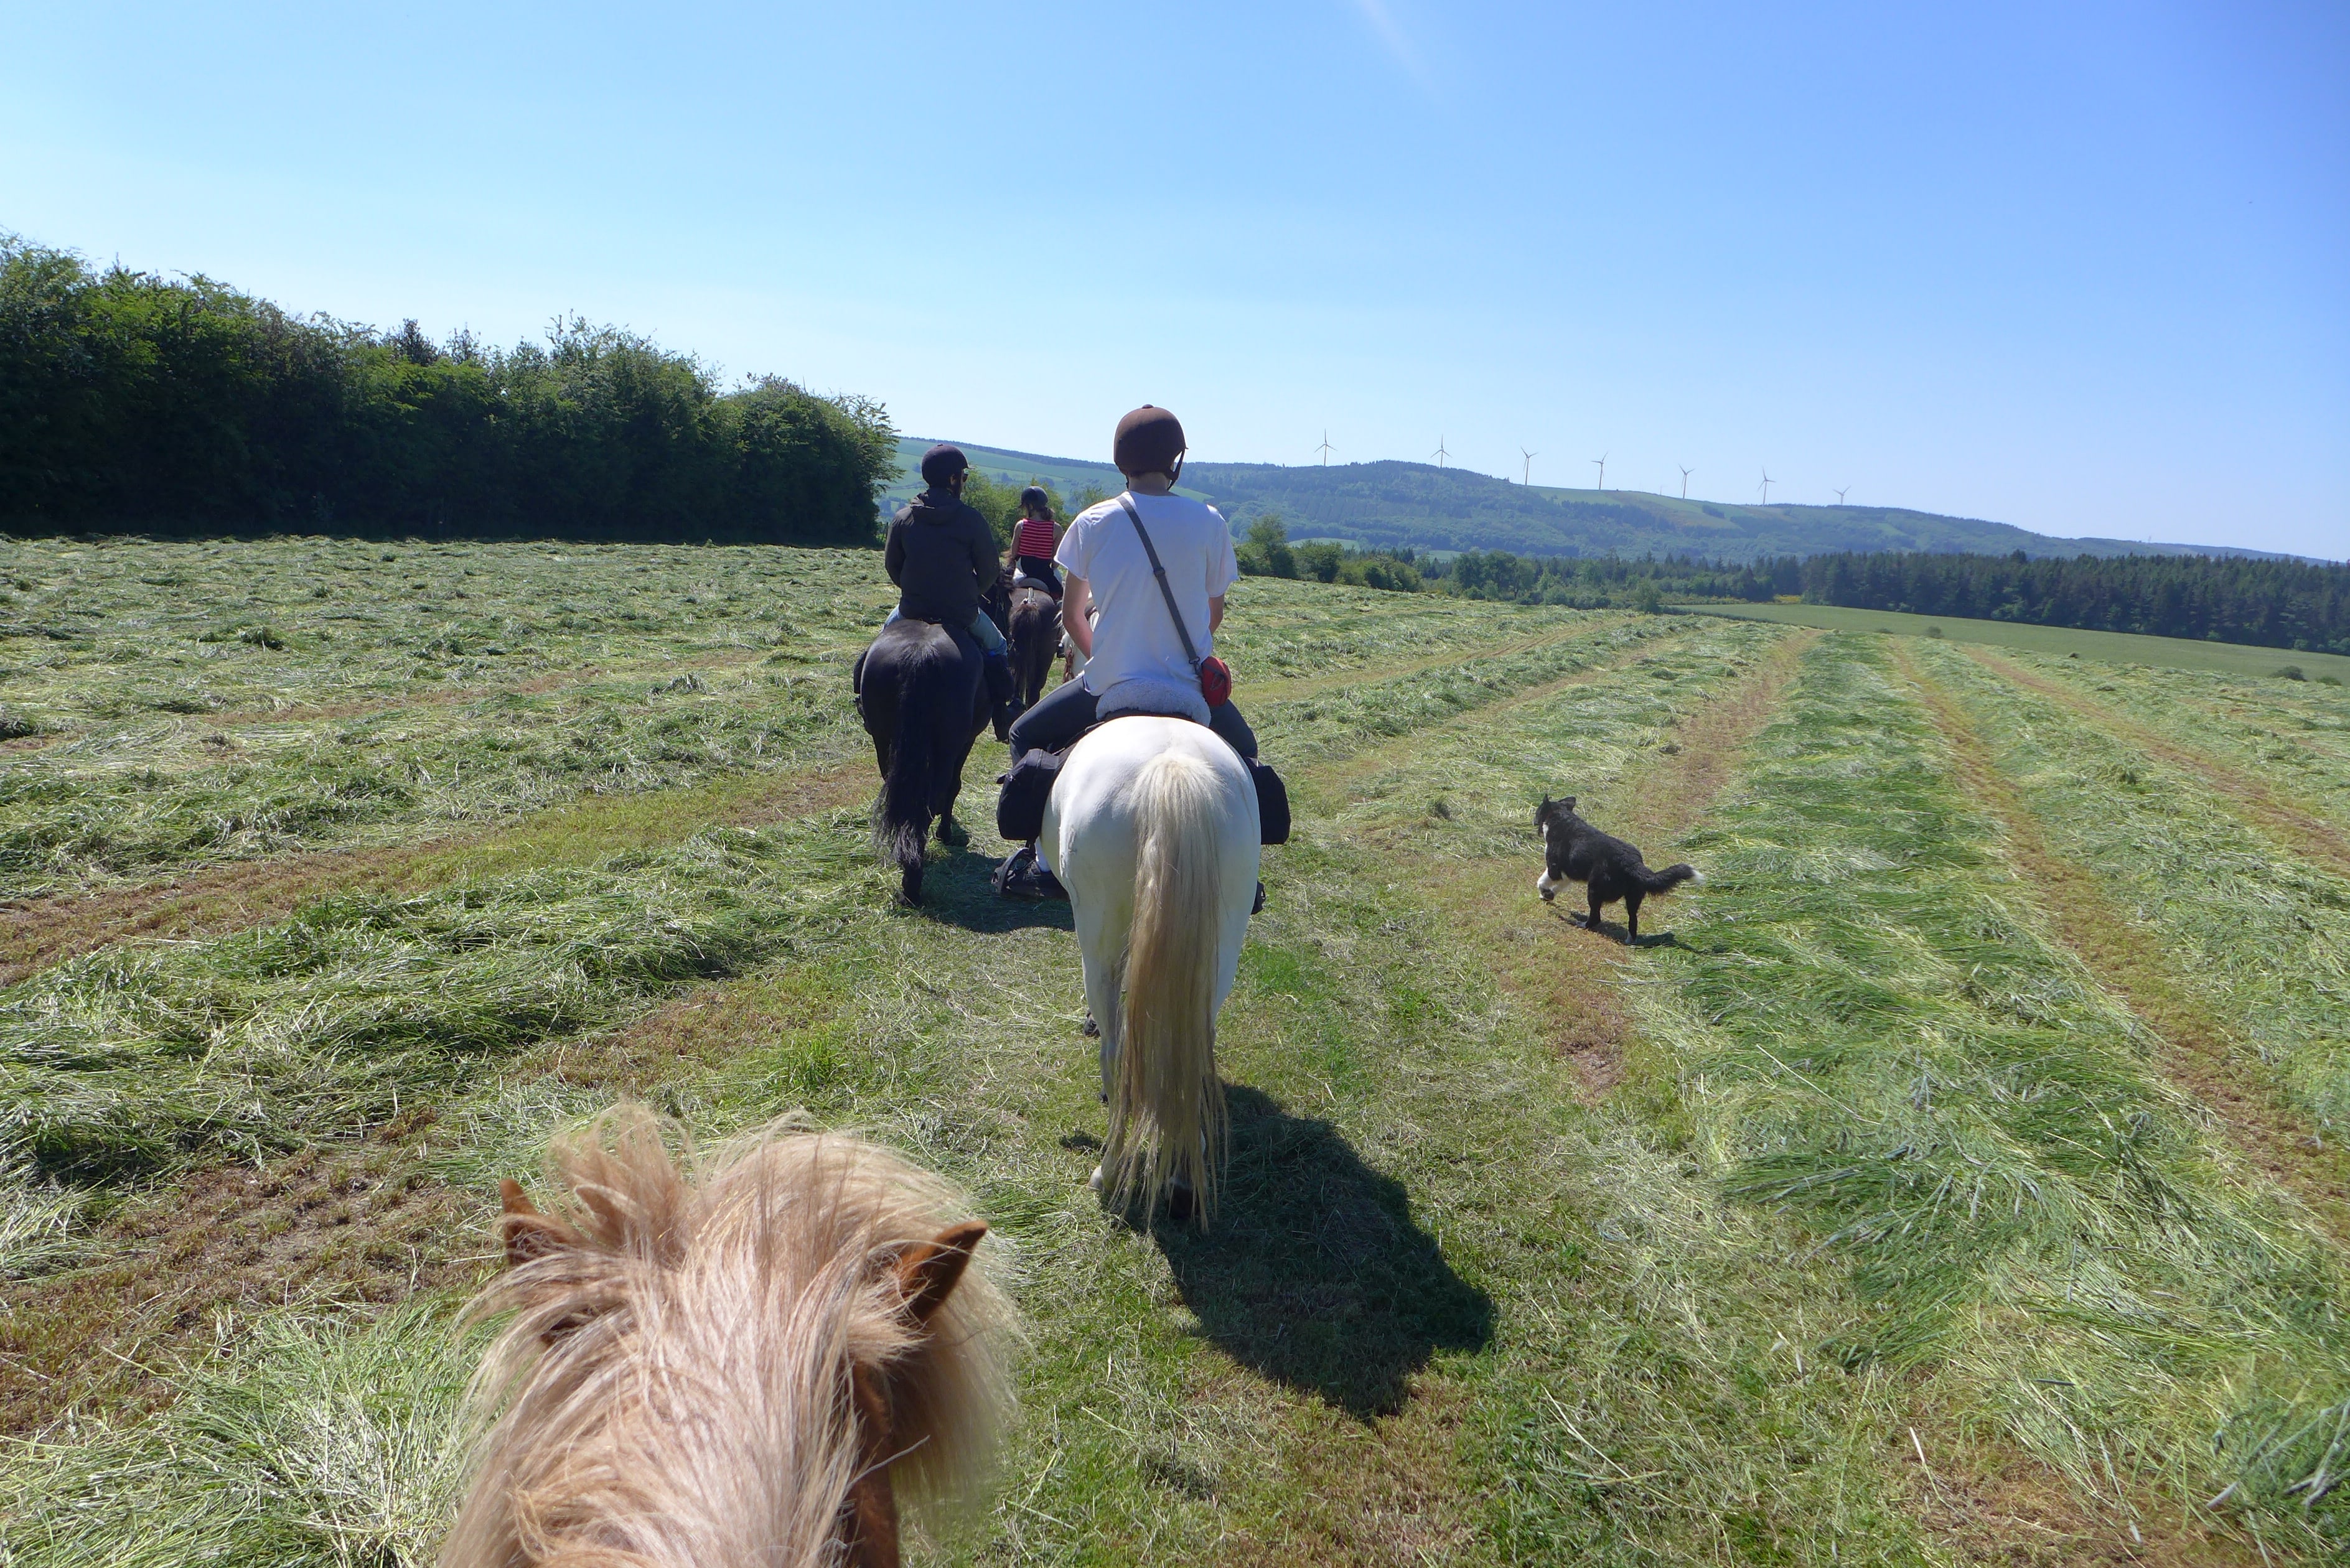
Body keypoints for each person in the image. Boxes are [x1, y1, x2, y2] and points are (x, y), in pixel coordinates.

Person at [995, 405, 1264, 897]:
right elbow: (1213, 616)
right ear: (1176, 461)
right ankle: (1246, 874)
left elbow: (1072, 617)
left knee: (1022, 733)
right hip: (1187, 689)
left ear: (1121, 460)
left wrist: (1105, 657)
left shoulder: (1093, 521)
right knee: (1246, 751)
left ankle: (1041, 860)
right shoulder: (1210, 521)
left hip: (1110, 686)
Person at [882, 443, 1016, 737]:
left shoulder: (903, 518)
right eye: (963, 477)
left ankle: (864, 701)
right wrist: (969, 593)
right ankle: (1002, 713)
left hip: (911, 608)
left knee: (878, 645)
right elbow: (990, 571)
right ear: (953, 479)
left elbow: (893, 566)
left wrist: (916, 591)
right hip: (962, 612)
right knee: (998, 646)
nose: (964, 483)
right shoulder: (972, 520)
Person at [1009, 486, 1062, 597]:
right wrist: (1053, 567)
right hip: (1045, 574)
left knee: (1004, 593)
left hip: (1024, 572)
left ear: (1030, 506)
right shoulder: (1056, 529)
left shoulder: (1021, 525)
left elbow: (1013, 554)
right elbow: (1056, 561)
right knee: (1060, 594)